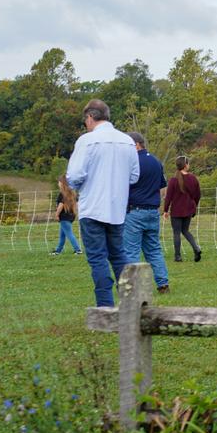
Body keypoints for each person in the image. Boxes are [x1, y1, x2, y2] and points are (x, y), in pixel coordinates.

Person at [65, 99, 140, 307]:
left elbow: (74, 176)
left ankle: (105, 306)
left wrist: (82, 184)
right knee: (118, 254)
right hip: (117, 209)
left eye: (85, 120)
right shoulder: (127, 141)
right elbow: (134, 176)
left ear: (90, 117)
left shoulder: (86, 141)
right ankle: (131, 302)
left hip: (93, 207)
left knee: (97, 258)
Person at [123, 132, 169, 294]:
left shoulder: (131, 162)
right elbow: (161, 185)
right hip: (152, 211)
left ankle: (132, 287)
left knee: (131, 250)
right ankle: (163, 283)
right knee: (154, 249)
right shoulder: (156, 162)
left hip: (135, 211)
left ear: (136, 144)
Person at [163, 156, 202, 263]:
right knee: (185, 230)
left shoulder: (173, 180)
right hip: (189, 209)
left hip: (176, 210)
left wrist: (165, 210)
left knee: (176, 232)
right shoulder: (193, 178)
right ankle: (196, 248)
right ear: (186, 165)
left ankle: (178, 256)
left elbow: (168, 197)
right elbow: (198, 195)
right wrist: (194, 206)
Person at [50, 176, 82, 256]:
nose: (58, 183)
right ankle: (58, 251)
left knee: (69, 234)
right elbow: (77, 205)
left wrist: (57, 215)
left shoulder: (62, 194)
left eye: (59, 182)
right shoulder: (72, 193)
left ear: (62, 184)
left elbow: (61, 205)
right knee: (62, 235)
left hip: (64, 217)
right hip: (70, 216)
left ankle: (78, 250)